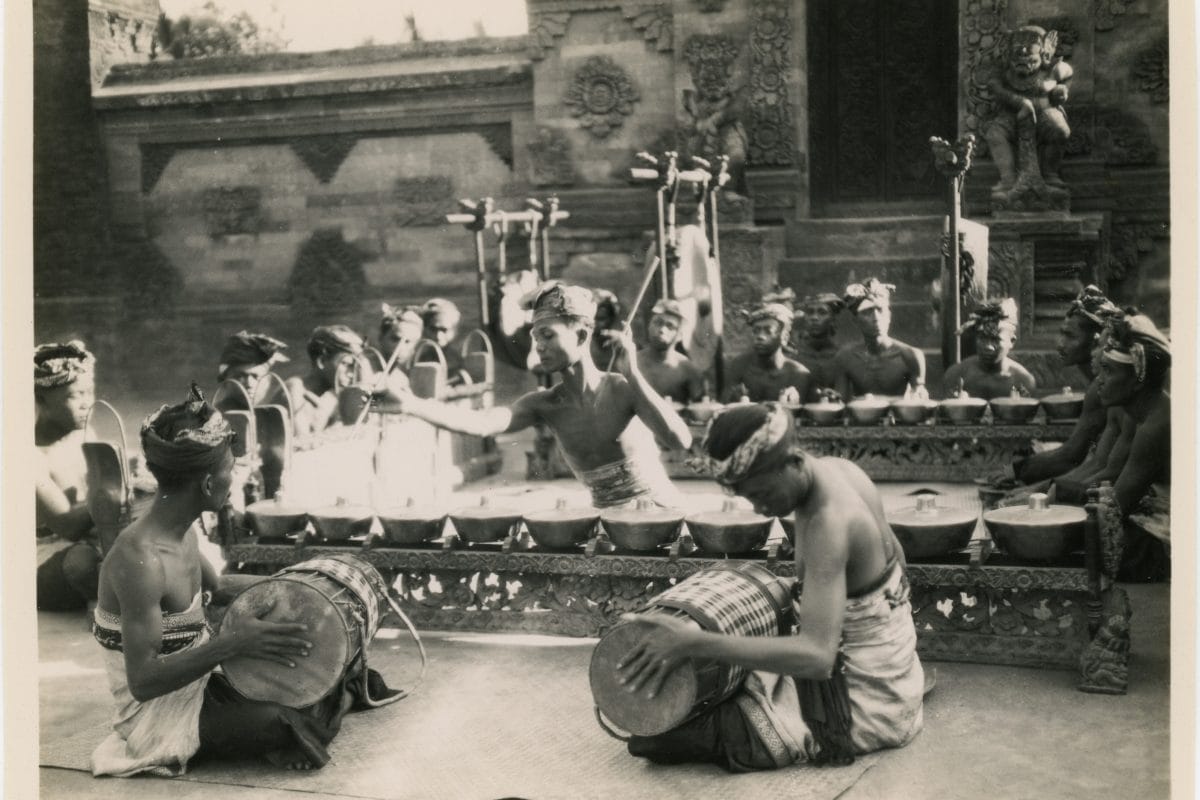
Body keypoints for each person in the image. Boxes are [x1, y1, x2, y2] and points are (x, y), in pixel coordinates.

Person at [91, 386, 389, 776]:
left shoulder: (181, 532)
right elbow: (144, 682)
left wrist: (309, 585)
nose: (235, 476)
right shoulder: (140, 559)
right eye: (230, 468)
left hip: (203, 673)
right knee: (278, 719)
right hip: (154, 711)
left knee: (335, 666)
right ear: (208, 485)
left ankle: (329, 702)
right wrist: (233, 643)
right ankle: (314, 716)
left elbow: (220, 587)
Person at [616, 403, 925, 771]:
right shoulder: (842, 470)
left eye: (761, 494)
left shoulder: (829, 524)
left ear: (793, 461)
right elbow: (897, 563)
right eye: (750, 498)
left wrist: (693, 642)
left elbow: (817, 658)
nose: (761, 509)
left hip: (869, 703)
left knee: (653, 738)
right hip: (898, 676)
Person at [391, 282, 692, 509]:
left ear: (581, 336)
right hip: (608, 523)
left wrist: (634, 374)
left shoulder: (621, 388)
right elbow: (482, 423)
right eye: (536, 338)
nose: (539, 347)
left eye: (548, 335)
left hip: (660, 514)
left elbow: (681, 440)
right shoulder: (544, 404)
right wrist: (410, 404)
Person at [1053, 314, 1171, 582]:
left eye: (1109, 371)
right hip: (1149, 514)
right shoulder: (1144, 413)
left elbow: (1115, 508)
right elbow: (1107, 477)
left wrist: (1048, 507)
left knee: (1071, 539)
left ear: (1138, 380)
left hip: (1167, 539)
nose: (1100, 380)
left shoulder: (1157, 424)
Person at [1003, 286, 1121, 485]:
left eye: (1070, 336)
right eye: (1062, 334)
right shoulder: (1098, 382)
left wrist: (1014, 471)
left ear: (1096, 342)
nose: (1060, 344)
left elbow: (1070, 456)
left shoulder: (1102, 387)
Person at [35, 341, 103, 612]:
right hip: (43, 559)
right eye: (76, 395)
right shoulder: (27, 455)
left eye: (90, 392)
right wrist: (116, 488)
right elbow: (67, 524)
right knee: (82, 562)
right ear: (41, 400)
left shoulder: (83, 434)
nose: (88, 403)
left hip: (87, 539)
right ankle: (106, 601)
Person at [832, 279, 927, 399]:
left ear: (889, 316)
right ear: (856, 321)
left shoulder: (910, 355)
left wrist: (919, 393)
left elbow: (918, 403)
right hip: (862, 415)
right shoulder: (845, 357)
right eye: (867, 312)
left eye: (880, 310)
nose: (876, 318)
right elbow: (841, 404)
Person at [940, 298, 1037, 399]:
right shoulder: (956, 376)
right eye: (982, 338)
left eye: (996, 340)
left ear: (1011, 341)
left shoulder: (1022, 381)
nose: (988, 347)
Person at [285, 325, 368, 437]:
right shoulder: (295, 388)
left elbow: (377, 411)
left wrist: (366, 377)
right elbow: (302, 444)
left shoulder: (335, 396)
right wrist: (329, 418)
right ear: (322, 361)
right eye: (347, 364)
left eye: (356, 367)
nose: (352, 373)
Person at [723, 303, 813, 404]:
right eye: (756, 331)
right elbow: (724, 407)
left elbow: (797, 414)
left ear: (785, 337)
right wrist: (733, 399)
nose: (760, 336)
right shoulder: (739, 366)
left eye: (768, 331)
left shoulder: (798, 374)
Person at [636, 299, 705, 403]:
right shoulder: (633, 362)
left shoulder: (687, 370)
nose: (662, 330)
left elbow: (700, 409)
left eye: (670, 326)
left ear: (680, 335)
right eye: (658, 322)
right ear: (649, 326)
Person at [794, 293, 845, 392]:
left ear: (832, 319)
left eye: (822, 312)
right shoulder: (795, 355)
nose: (814, 318)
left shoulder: (842, 357)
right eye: (810, 312)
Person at [217, 331, 289, 400]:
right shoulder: (214, 412)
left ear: (268, 382)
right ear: (224, 382)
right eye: (240, 377)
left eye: (255, 377)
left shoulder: (274, 411)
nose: (249, 384)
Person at [420, 298, 470, 386]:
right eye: (433, 329)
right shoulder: (415, 355)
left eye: (444, 330)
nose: (438, 336)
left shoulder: (458, 359)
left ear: (455, 330)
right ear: (424, 328)